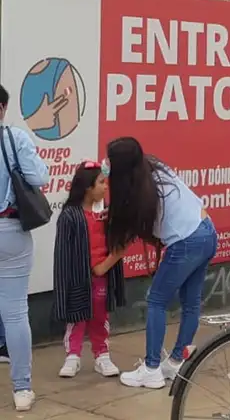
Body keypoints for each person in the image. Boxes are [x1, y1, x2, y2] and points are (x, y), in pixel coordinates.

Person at [105, 137, 219, 390]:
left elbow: (134, 229)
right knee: (191, 302)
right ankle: (177, 362)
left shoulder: (139, 193)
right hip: (208, 230)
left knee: (156, 299)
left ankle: (152, 368)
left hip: (186, 241)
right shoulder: (154, 169)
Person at [0, 83, 50, 411]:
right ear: (2, 108)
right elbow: (40, 177)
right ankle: (21, 389)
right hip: (10, 230)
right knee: (16, 312)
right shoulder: (14, 138)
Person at [53, 162, 125, 379]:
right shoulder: (70, 216)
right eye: (101, 183)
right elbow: (64, 254)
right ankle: (72, 355)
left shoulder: (104, 215)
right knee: (76, 317)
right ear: (87, 187)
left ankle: (101, 354)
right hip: (78, 279)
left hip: (102, 278)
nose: (105, 187)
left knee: (99, 316)